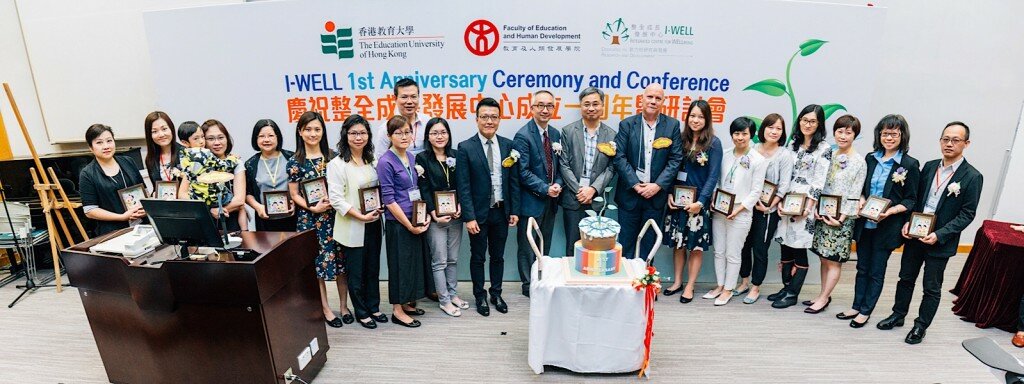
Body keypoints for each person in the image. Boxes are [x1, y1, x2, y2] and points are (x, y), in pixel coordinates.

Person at [877, 121, 983, 345]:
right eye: (945, 139)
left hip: (940, 242)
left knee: (931, 288)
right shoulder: (929, 166)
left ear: (967, 143)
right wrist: (907, 222)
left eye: (955, 140)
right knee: (905, 278)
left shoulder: (972, 176)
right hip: (915, 236)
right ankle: (898, 315)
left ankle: (920, 326)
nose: (949, 144)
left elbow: (967, 214)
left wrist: (940, 234)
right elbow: (915, 199)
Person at [838, 114, 919, 327]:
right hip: (865, 224)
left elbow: (911, 200)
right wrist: (862, 201)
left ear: (902, 136)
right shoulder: (870, 158)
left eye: (894, 134)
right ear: (879, 135)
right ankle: (856, 306)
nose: (889, 138)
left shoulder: (909, 164)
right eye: (885, 133)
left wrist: (890, 212)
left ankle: (866, 311)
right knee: (862, 267)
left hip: (887, 226)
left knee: (876, 270)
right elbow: (862, 188)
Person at [455, 97, 520, 317]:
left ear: (500, 119)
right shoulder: (465, 147)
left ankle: (496, 293)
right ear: (477, 119)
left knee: (498, 256)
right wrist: (469, 217)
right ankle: (479, 296)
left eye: (493, 117)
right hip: (479, 215)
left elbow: (513, 182)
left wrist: (514, 211)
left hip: (501, 211)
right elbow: (463, 186)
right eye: (485, 117)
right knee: (478, 257)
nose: (489, 121)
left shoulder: (508, 145)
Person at [287, 111, 350, 328]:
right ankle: (325, 308)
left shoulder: (333, 157)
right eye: (308, 129)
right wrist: (312, 207)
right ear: (300, 132)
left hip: (336, 217)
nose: (313, 134)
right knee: (318, 266)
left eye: (317, 129)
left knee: (341, 262)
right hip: (310, 220)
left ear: (323, 131)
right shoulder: (295, 162)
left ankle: (344, 306)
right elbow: (294, 194)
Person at [611, 83, 683, 262]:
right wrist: (635, 184)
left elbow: (675, 160)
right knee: (626, 243)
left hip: (655, 196)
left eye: (658, 98)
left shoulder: (672, 125)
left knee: (649, 244)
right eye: (650, 97)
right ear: (641, 99)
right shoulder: (627, 124)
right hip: (629, 195)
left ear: (663, 102)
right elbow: (619, 157)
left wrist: (657, 186)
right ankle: (628, 286)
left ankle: (645, 286)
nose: (653, 101)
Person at [327, 114, 386, 329]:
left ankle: (374, 306)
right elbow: (336, 199)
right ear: (345, 135)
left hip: (373, 222)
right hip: (352, 225)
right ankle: (361, 311)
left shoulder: (372, 159)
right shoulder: (337, 164)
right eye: (353, 133)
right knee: (356, 272)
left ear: (368, 135)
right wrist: (360, 216)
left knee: (372, 268)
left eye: (362, 133)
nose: (358, 137)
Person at [772, 105, 833, 309]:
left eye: (812, 121)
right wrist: (779, 199)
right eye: (804, 120)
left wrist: (808, 207)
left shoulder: (824, 148)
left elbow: (819, 181)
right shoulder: (792, 144)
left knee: (798, 247)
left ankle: (792, 293)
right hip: (787, 200)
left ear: (819, 124)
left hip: (806, 204)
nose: (807, 124)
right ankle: (785, 286)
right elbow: (785, 174)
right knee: (785, 245)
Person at [806, 115, 867, 314]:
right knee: (823, 258)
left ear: (854, 135)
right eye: (840, 131)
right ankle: (823, 294)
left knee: (834, 259)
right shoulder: (828, 155)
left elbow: (855, 192)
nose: (843, 136)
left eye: (848, 132)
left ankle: (823, 298)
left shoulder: (859, 161)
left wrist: (842, 217)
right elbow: (819, 183)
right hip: (824, 214)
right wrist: (815, 206)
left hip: (842, 219)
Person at [661, 99, 720, 303]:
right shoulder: (679, 139)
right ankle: (677, 282)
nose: (696, 120)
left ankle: (690, 286)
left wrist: (701, 202)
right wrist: (668, 193)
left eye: (700, 117)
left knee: (695, 247)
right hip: (677, 203)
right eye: (692, 116)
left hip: (698, 206)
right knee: (678, 245)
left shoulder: (713, 143)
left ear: (707, 119)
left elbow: (713, 176)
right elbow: (670, 167)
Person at [378, 115, 434, 328]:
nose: (404, 136)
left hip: (415, 218)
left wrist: (423, 216)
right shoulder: (385, 161)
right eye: (398, 133)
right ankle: (397, 310)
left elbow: (415, 190)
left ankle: (409, 303)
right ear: (390, 136)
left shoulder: (411, 158)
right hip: (398, 223)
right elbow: (389, 199)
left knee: (413, 264)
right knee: (399, 266)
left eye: (407, 132)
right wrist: (408, 224)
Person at [703, 117, 766, 306]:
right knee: (719, 251)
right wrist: (714, 199)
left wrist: (739, 209)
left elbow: (756, 191)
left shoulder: (758, 160)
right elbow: (717, 180)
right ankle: (720, 285)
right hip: (720, 209)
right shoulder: (725, 154)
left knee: (733, 253)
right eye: (736, 133)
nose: (740, 137)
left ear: (751, 135)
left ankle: (729, 289)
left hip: (741, 211)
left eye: (744, 133)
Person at [737, 114, 794, 304]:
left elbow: (784, 185)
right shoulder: (751, 149)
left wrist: (770, 204)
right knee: (744, 246)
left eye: (778, 128)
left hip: (767, 211)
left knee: (760, 249)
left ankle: (755, 286)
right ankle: (744, 281)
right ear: (763, 129)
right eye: (770, 127)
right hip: (747, 208)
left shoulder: (784, 155)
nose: (774, 131)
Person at [415, 117, 467, 316]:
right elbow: (424, 188)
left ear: (449, 134)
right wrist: (433, 213)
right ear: (428, 136)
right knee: (440, 260)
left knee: (453, 259)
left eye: (443, 132)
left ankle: (453, 294)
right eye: (435, 133)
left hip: (456, 216)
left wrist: (460, 203)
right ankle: (444, 300)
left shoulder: (456, 155)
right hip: (436, 217)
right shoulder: (422, 159)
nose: (439, 136)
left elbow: (462, 183)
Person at [513, 90, 562, 297]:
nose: (545, 109)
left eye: (549, 106)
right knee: (527, 246)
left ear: (554, 109)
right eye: (540, 105)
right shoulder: (523, 135)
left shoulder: (556, 135)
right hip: (531, 201)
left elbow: (560, 167)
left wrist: (558, 183)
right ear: (531, 108)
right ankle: (528, 285)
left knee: (545, 242)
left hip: (551, 202)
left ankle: (541, 278)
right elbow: (522, 172)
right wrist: (545, 188)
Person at [558, 87, 616, 256]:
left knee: (595, 245)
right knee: (572, 244)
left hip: (597, 198)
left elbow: (611, 167)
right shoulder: (568, 132)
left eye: (595, 104)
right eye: (587, 104)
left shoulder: (611, 135)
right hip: (573, 197)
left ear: (603, 106)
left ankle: (590, 281)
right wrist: (580, 191)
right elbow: (564, 165)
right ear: (580, 106)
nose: (591, 108)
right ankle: (571, 281)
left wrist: (593, 189)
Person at [178, 119, 247, 231]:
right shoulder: (195, 164)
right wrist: (209, 210)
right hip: (205, 221)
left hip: (230, 220)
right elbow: (182, 194)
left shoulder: (236, 162)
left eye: (221, 137)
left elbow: (239, 200)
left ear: (227, 139)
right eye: (210, 138)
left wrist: (220, 210)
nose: (217, 142)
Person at [79, 124, 147, 236]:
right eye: (99, 142)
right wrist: (122, 217)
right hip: (113, 232)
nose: (106, 146)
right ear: (91, 147)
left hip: (142, 225)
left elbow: (144, 191)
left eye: (109, 141)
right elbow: (90, 211)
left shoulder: (128, 161)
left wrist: (146, 208)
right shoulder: (87, 174)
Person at [244, 119, 297, 231]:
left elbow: (301, 186)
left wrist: (295, 204)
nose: (266, 140)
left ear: (278, 137)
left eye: (271, 136)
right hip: (265, 219)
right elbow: (248, 193)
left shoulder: (292, 158)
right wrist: (258, 207)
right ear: (256, 139)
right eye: (261, 136)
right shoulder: (251, 164)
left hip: (292, 217)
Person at [374, 78, 426, 159]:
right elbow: (380, 159)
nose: (409, 101)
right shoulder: (386, 128)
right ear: (395, 98)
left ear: (418, 97)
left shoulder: (427, 122)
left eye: (413, 96)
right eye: (404, 97)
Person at [143, 111, 183, 189]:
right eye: (154, 131)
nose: (161, 134)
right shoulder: (150, 159)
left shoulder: (186, 154)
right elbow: (156, 188)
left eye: (164, 129)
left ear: (171, 129)